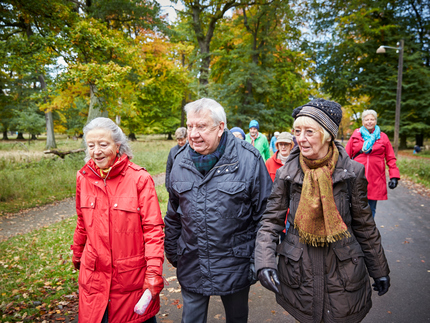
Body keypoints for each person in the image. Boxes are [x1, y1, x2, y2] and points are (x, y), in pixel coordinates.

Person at [255, 99, 390, 323]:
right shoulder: (287, 173)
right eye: (297, 131)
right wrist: (265, 262)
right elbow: (270, 222)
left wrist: (379, 269)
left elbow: (364, 225)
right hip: (300, 273)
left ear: (327, 134)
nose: (300, 138)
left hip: (343, 272)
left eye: (309, 131)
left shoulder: (352, 172)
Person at [164, 98, 273, 323]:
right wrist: (174, 252)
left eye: (201, 126)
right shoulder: (178, 159)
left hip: (236, 263)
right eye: (190, 126)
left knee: (237, 317)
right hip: (192, 261)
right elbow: (173, 213)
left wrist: (258, 259)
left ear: (221, 127)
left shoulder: (249, 159)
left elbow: (266, 214)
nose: (193, 133)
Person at [71, 117, 165, 323]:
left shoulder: (140, 179)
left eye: (103, 144)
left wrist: (154, 273)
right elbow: (82, 222)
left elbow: (153, 231)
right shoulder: (83, 178)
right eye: (91, 145)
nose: (97, 151)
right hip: (94, 279)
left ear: (118, 145)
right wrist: (77, 253)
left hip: (130, 281)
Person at [345, 110, 400, 218]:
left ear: (375, 121)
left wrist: (394, 176)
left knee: (371, 209)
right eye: (367, 119)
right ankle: (357, 232)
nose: (369, 122)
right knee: (355, 207)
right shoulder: (356, 136)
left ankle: (369, 233)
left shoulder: (383, 137)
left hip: (376, 178)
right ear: (362, 121)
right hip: (357, 177)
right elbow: (346, 156)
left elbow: (390, 158)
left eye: (372, 119)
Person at [265, 131, 294, 241]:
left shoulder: (296, 162)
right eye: (281, 144)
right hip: (275, 207)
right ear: (277, 145)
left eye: (286, 144)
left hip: (291, 208)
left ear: (291, 145)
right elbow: (265, 185)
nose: (283, 146)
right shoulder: (269, 162)